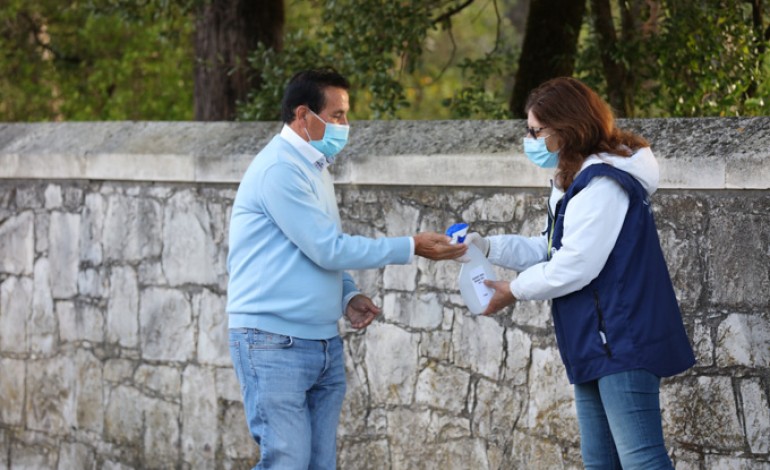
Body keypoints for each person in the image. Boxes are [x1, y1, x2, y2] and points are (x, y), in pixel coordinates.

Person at [226, 68, 466, 470]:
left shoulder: (313, 167)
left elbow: (314, 246)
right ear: (303, 115)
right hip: (271, 342)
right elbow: (326, 248)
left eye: (345, 115)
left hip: (320, 342)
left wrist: (348, 294)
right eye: (337, 116)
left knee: (320, 464)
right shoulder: (279, 170)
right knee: (287, 462)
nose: (345, 125)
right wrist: (412, 246)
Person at [463, 77, 695, 469]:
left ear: (566, 129)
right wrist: (485, 246)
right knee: (600, 462)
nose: (530, 139)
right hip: (593, 339)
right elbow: (548, 248)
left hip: (622, 339)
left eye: (536, 131)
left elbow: (575, 266)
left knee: (642, 459)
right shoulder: (572, 181)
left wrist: (513, 291)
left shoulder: (602, 183)